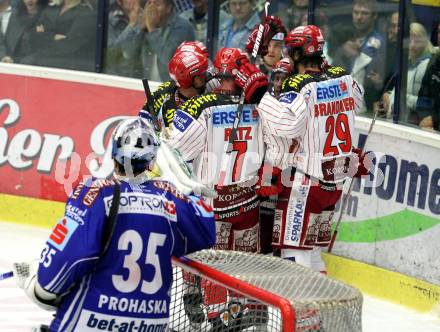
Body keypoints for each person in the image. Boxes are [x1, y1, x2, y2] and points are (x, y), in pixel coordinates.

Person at [13, 117, 216, 331]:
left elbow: (53, 279)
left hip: (92, 320)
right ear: (152, 160)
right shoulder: (169, 196)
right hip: (151, 324)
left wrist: (37, 283)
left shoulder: (96, 192)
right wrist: (187, 187)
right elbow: (206, 229)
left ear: (113, 151)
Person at [165, 47, 267, 330]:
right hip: (248, 199)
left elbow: (175, 147)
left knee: (214, 266)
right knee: (245, 264)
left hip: (215, 203)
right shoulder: (261, 104)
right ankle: (252, 312)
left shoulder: (202, 106)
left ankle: (218, 318)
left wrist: (167, 126)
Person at [252, 24, 368, 273]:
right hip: (334, 185)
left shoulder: (301, 86)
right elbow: (359, 100)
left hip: (306, 185)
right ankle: (320, 312)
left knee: (294, 253)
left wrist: (266, 95)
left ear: (295, 55)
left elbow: (287, 125)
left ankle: (305, 313)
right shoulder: (344, 78)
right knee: (313, 251)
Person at [139, 42, 209, 131]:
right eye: (202, 73)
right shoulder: (162, 94)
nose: (207, 75)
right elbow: (142, 125)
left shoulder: (211, 88)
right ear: (189, 79)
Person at [332, 0, 385, 112]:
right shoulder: (343, 35)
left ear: (374, 16)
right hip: (337, 100)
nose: (359, 17)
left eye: (364, 13)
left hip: (363, 105)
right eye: (356, 12)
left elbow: (377, 80)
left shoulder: (379, 43)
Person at [384, 22, 439, 129]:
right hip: (402, 120)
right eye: (409, 40)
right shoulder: (406, 62)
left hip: (417, 123)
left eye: (417, 41)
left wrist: (394, 97)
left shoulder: (429, 65)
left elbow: (425, 102)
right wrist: (388, 94)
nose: (413, 45)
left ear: (424, 40)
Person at [132, 0, 195, 81]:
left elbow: (169, 59)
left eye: (157, 4)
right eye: (149, 3)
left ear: (168, 8)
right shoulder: (145, 23)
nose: (152, 8)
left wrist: (152, 30)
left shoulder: (183, 27)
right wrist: (138, 29)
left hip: (172, 88)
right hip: (146, 85)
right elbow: (127, 54)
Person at [29, 0, 97, 71]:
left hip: (66, 65)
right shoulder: (52, 8)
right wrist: (53, 37)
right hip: (39, 58)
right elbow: (32, 35)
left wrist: (43, 36)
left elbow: (70, 45)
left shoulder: (86, 13)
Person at [0, 0, 48, 64]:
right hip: (8, 62)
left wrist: (16, 61)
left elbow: (44, 50)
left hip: (32, 66)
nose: (29, 0)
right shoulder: (15, 15)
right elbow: (4, 42)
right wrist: (4, 56)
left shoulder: (48, 18)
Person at [104, 0, 143, 77]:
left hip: (140, 76)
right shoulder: (109, 18)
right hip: (117, 77)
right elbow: (111, 53)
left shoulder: (148, 15)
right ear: (119, 2)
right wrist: (132, 25)